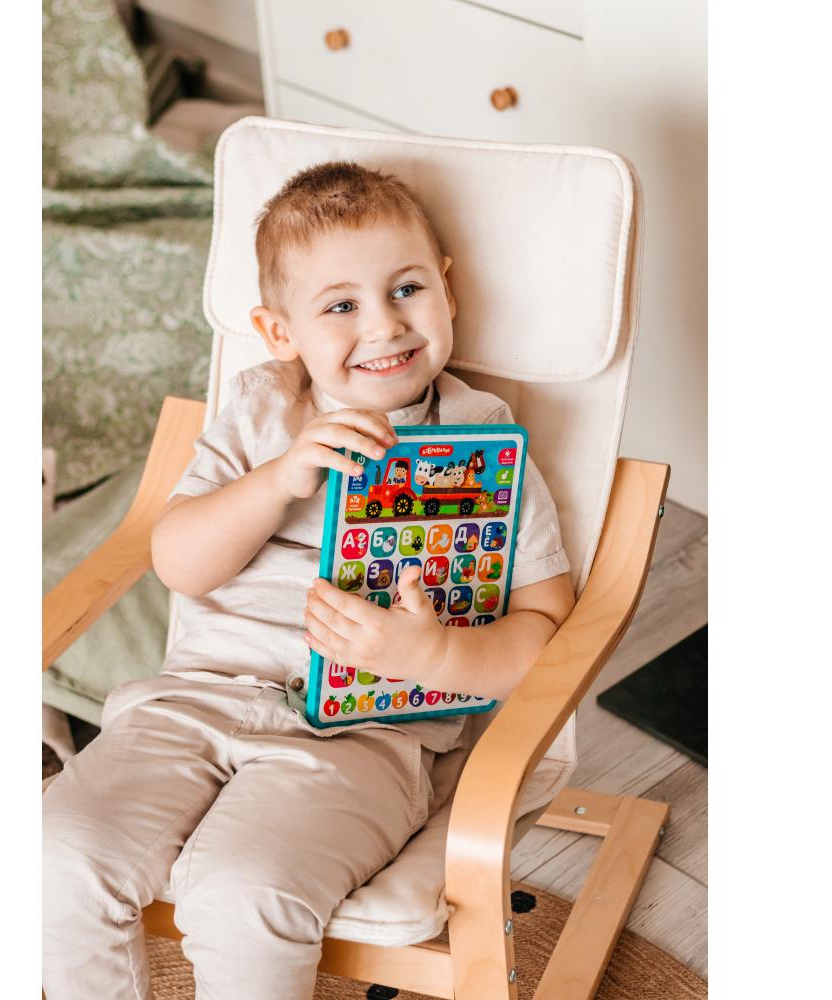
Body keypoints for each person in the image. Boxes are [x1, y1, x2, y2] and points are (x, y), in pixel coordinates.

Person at [43, 161, 576, 1000]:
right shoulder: (261, 414)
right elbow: (177, 559)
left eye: (407, 289)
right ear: (279, 331)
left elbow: (548, 631)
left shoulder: (485, 446)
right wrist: (277, 481)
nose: (385, 325)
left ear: (447, 289)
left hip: (361, 743)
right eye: (341, 306)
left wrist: (432, 654)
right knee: (53, 857)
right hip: (190, 705)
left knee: (244, 893)